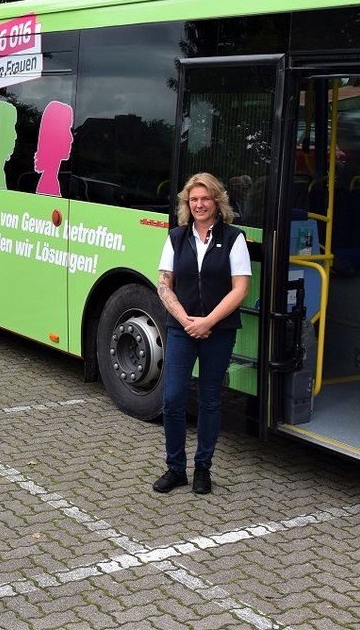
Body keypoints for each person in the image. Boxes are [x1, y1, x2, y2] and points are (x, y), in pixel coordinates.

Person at [154, 173, 251, 496]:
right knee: (172, 399)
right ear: (187, 203)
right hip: (181, 329)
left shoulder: (234, 238)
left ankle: (203, 469)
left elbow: (241, 289)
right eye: (193, 199)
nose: (199, 204)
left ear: (216, 202)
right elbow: (164, 284)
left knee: (210, 400)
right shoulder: (176, 237)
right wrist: (186, 321)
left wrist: (207, 321)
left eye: (205, 198)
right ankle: (175, 468)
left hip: (219, 330)